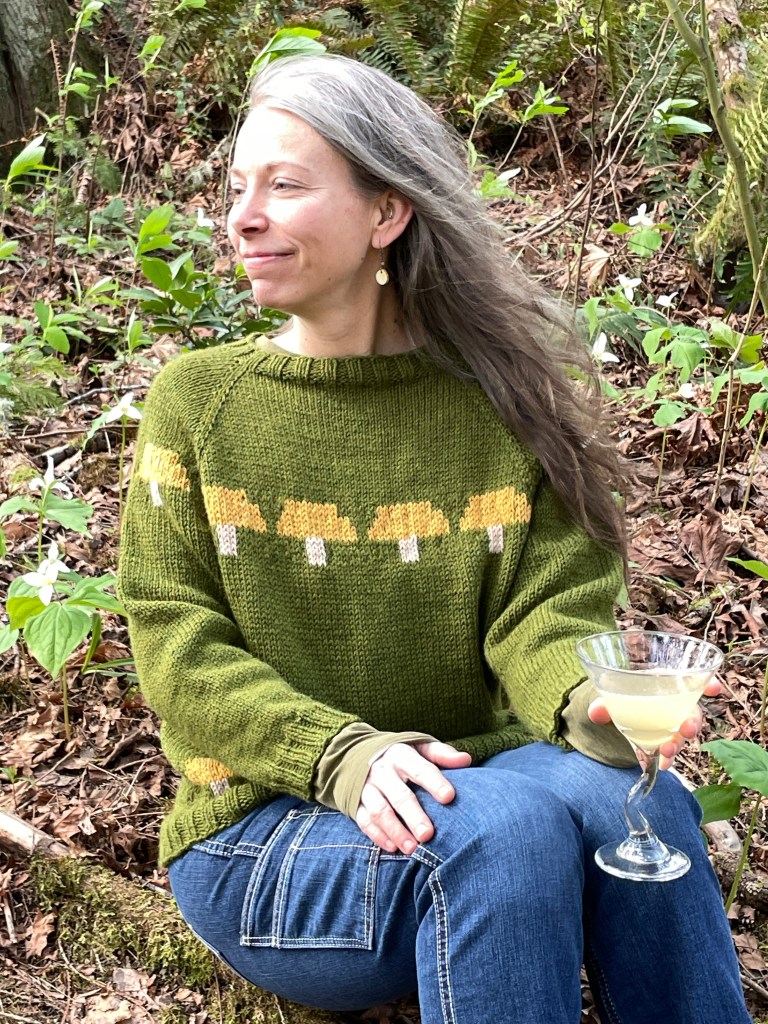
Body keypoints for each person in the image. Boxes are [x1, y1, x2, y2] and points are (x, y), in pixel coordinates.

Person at [117, 53, 752, 1024]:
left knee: (647, 802)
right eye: (238, 185)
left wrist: (589, 706)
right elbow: (176, 649)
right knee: (505, 829)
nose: (242, 216)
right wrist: (343, 754)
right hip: (266, 826)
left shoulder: (503, 404)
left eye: (284, 185)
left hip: (477, 779)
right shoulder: (198, 404)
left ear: (387, 211)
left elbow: (544, 620)